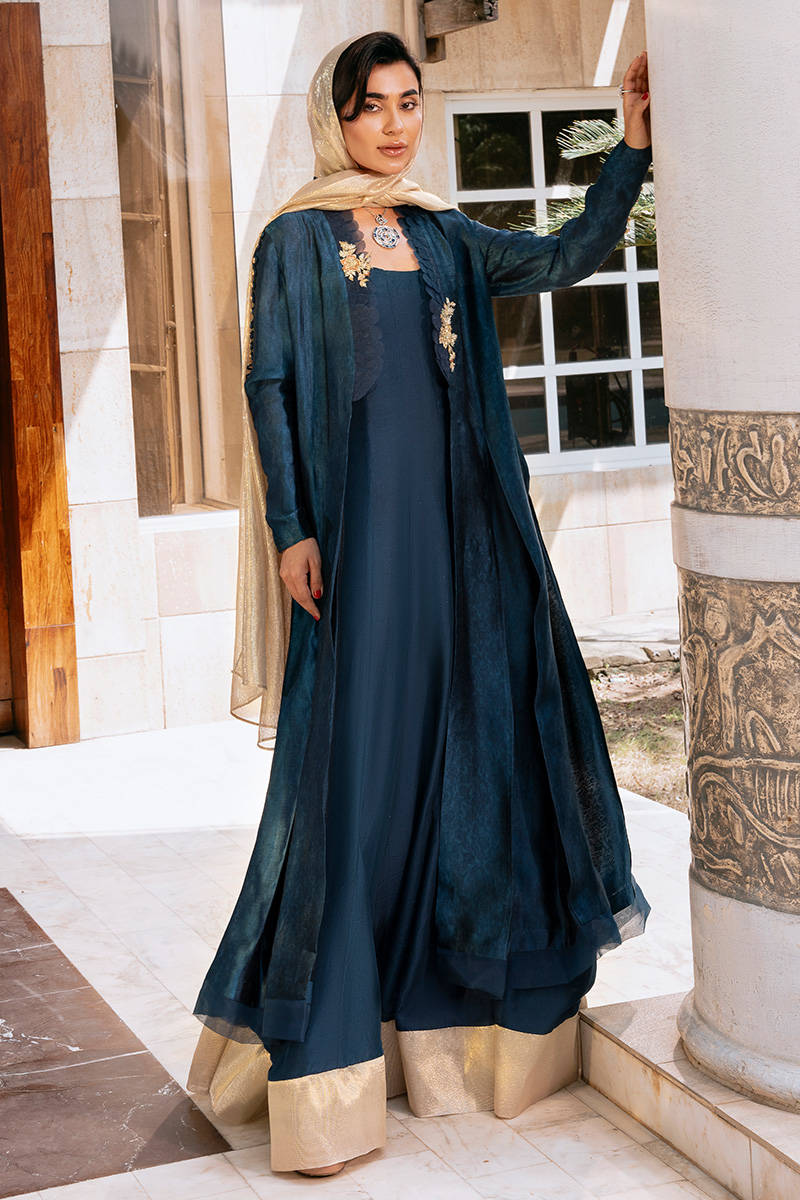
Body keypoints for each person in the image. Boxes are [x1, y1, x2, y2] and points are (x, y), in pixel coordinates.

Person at [187, 30, 653, 1177]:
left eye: (408, 103)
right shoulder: (295, 237)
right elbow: (269, 385)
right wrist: (290, 526)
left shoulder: (442, 233)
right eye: (372, 106)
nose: (394, 126)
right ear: (335, 117)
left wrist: (630, 153)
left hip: (456, 551)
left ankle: (438, 1040)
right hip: (355, 553)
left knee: (456, 765)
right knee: (347, 780)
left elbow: (562, 257)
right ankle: (329, 1071)